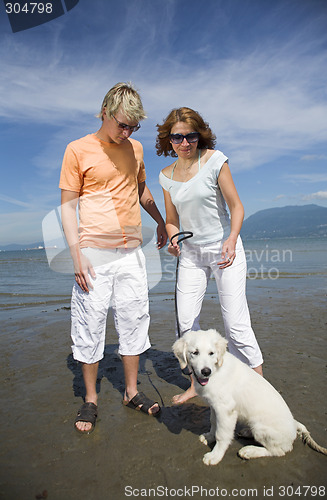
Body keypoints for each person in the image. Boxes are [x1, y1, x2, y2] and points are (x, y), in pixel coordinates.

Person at [59, 82, 167, 433]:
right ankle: (90, 399)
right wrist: (76, 254)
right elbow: (67, 206)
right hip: (93, 253)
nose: (127, 132)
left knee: (135, 320)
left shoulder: (134, 148)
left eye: (133, 127)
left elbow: (140, 189)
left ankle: (131, 392)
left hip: (132, 253)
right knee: (89, 325)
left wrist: (162, 222)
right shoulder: (78, 149)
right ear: (104, 112)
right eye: (122, 124)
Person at [156, 107, 263, 405]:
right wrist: (174, 239)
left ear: (199, 135)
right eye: (177, 137)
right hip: (189, 255)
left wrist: (231, 238)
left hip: (223, 249)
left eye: (190, 135)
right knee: (186, 325)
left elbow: (237, 207)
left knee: (236, 325)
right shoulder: (166, 176)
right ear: (169, 140)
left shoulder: (215, 160)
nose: (185, 142)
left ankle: (258, 390)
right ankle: (196, 385)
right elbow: (171, 218)